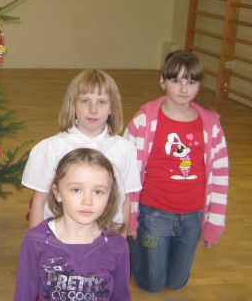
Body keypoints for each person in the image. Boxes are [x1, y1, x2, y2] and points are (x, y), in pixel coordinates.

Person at [125, 50, 229, 292]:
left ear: (199, 85)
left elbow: (221, 176)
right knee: (152, 284)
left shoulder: (211, 125)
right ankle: (134, 246)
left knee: (177, 282)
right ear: (163, 81)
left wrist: (214, 224)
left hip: (193, 216)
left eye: (191, 82)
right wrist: (129, 218)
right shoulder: (143, 122)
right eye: (175, 80)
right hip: (153, 214)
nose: (183, 89)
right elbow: (125, 173)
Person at [22, 69, 141, 233]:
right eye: (85, 101)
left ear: (111, 108)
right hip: (59, 239)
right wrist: (35, 242)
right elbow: (39, 201)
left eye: (102, 102)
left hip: (106, 238)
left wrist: (121, 242)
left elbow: (125, 200)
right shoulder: (50, 148)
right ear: (73, 104)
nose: (93, 110)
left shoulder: (125, 150)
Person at [14, 148, 131, 301]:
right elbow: (23, 295)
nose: (87, 201)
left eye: (98, 192)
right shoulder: (35, 242)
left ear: (109, 197)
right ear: (57, 192)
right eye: (76, 190)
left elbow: (121, 296)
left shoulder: (117, 245)